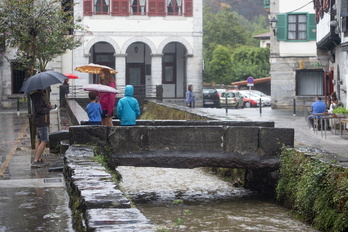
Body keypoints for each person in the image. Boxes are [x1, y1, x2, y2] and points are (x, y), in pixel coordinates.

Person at [30, 89, 53, 168]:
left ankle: (39, 159)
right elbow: (40, 110)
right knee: (44, 141)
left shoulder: (36, 96)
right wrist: (49, 108)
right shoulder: (39, 97)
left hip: (38, 121)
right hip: (42, 121)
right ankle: (36, 160)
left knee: (39, 140)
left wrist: (47, 106)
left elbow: (39, 108)